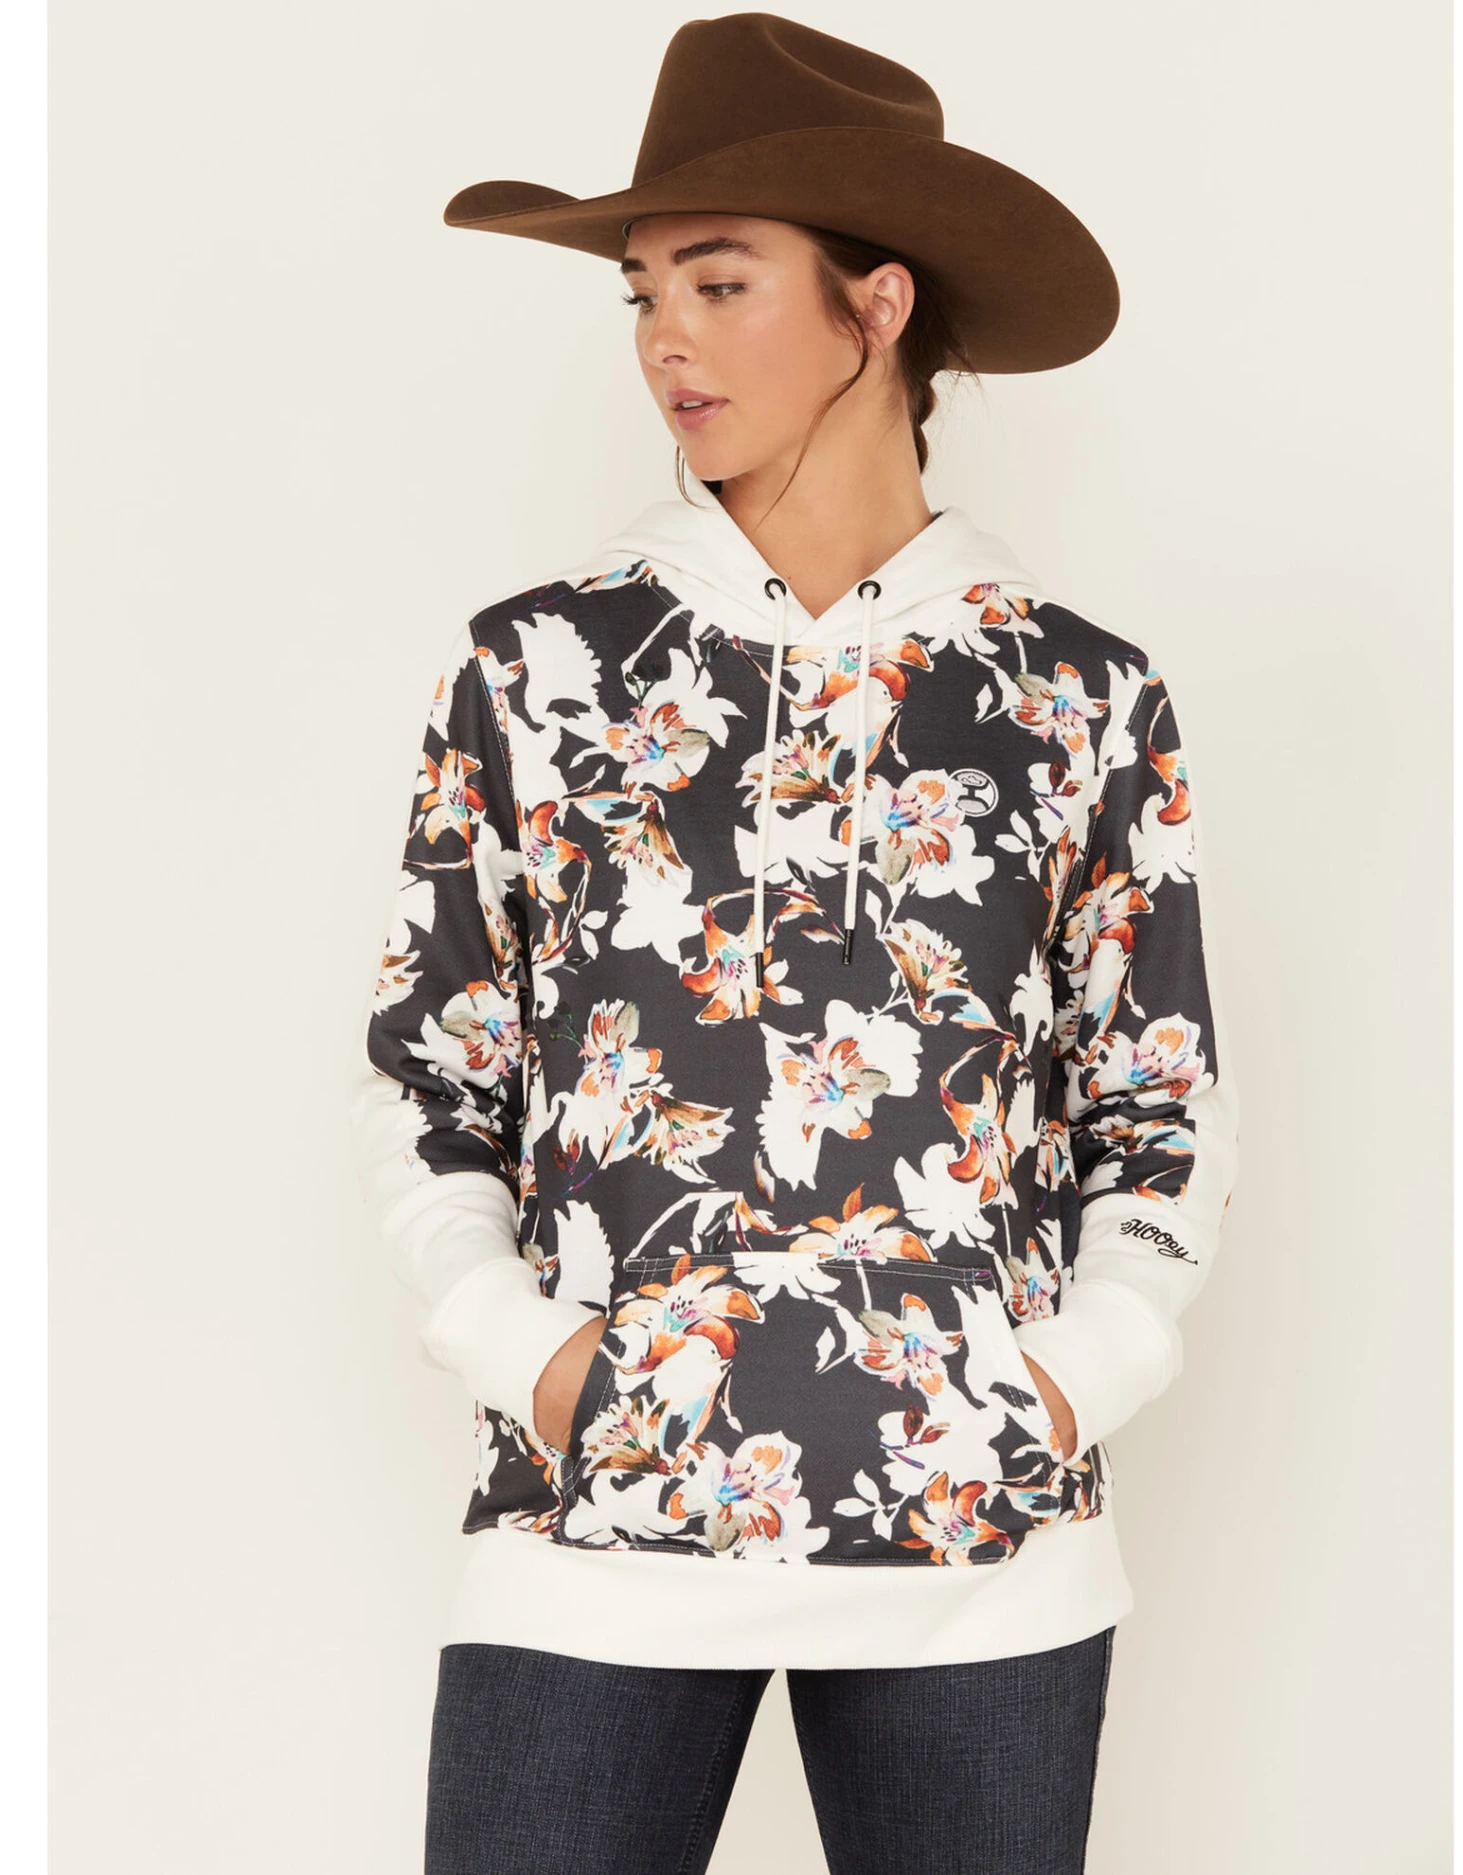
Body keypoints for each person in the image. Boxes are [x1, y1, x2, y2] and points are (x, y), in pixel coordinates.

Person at [347, 14, 1239, 1873]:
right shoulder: (537, 668)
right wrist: (524, 1352)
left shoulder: (1078, 695)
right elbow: (434, 1070)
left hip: (981, 1549)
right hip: (593, 1531)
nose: (663, 338)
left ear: (875, 307)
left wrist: (1077, 1372)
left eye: (721, 280)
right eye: (642, 292)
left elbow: (1158, 1099)